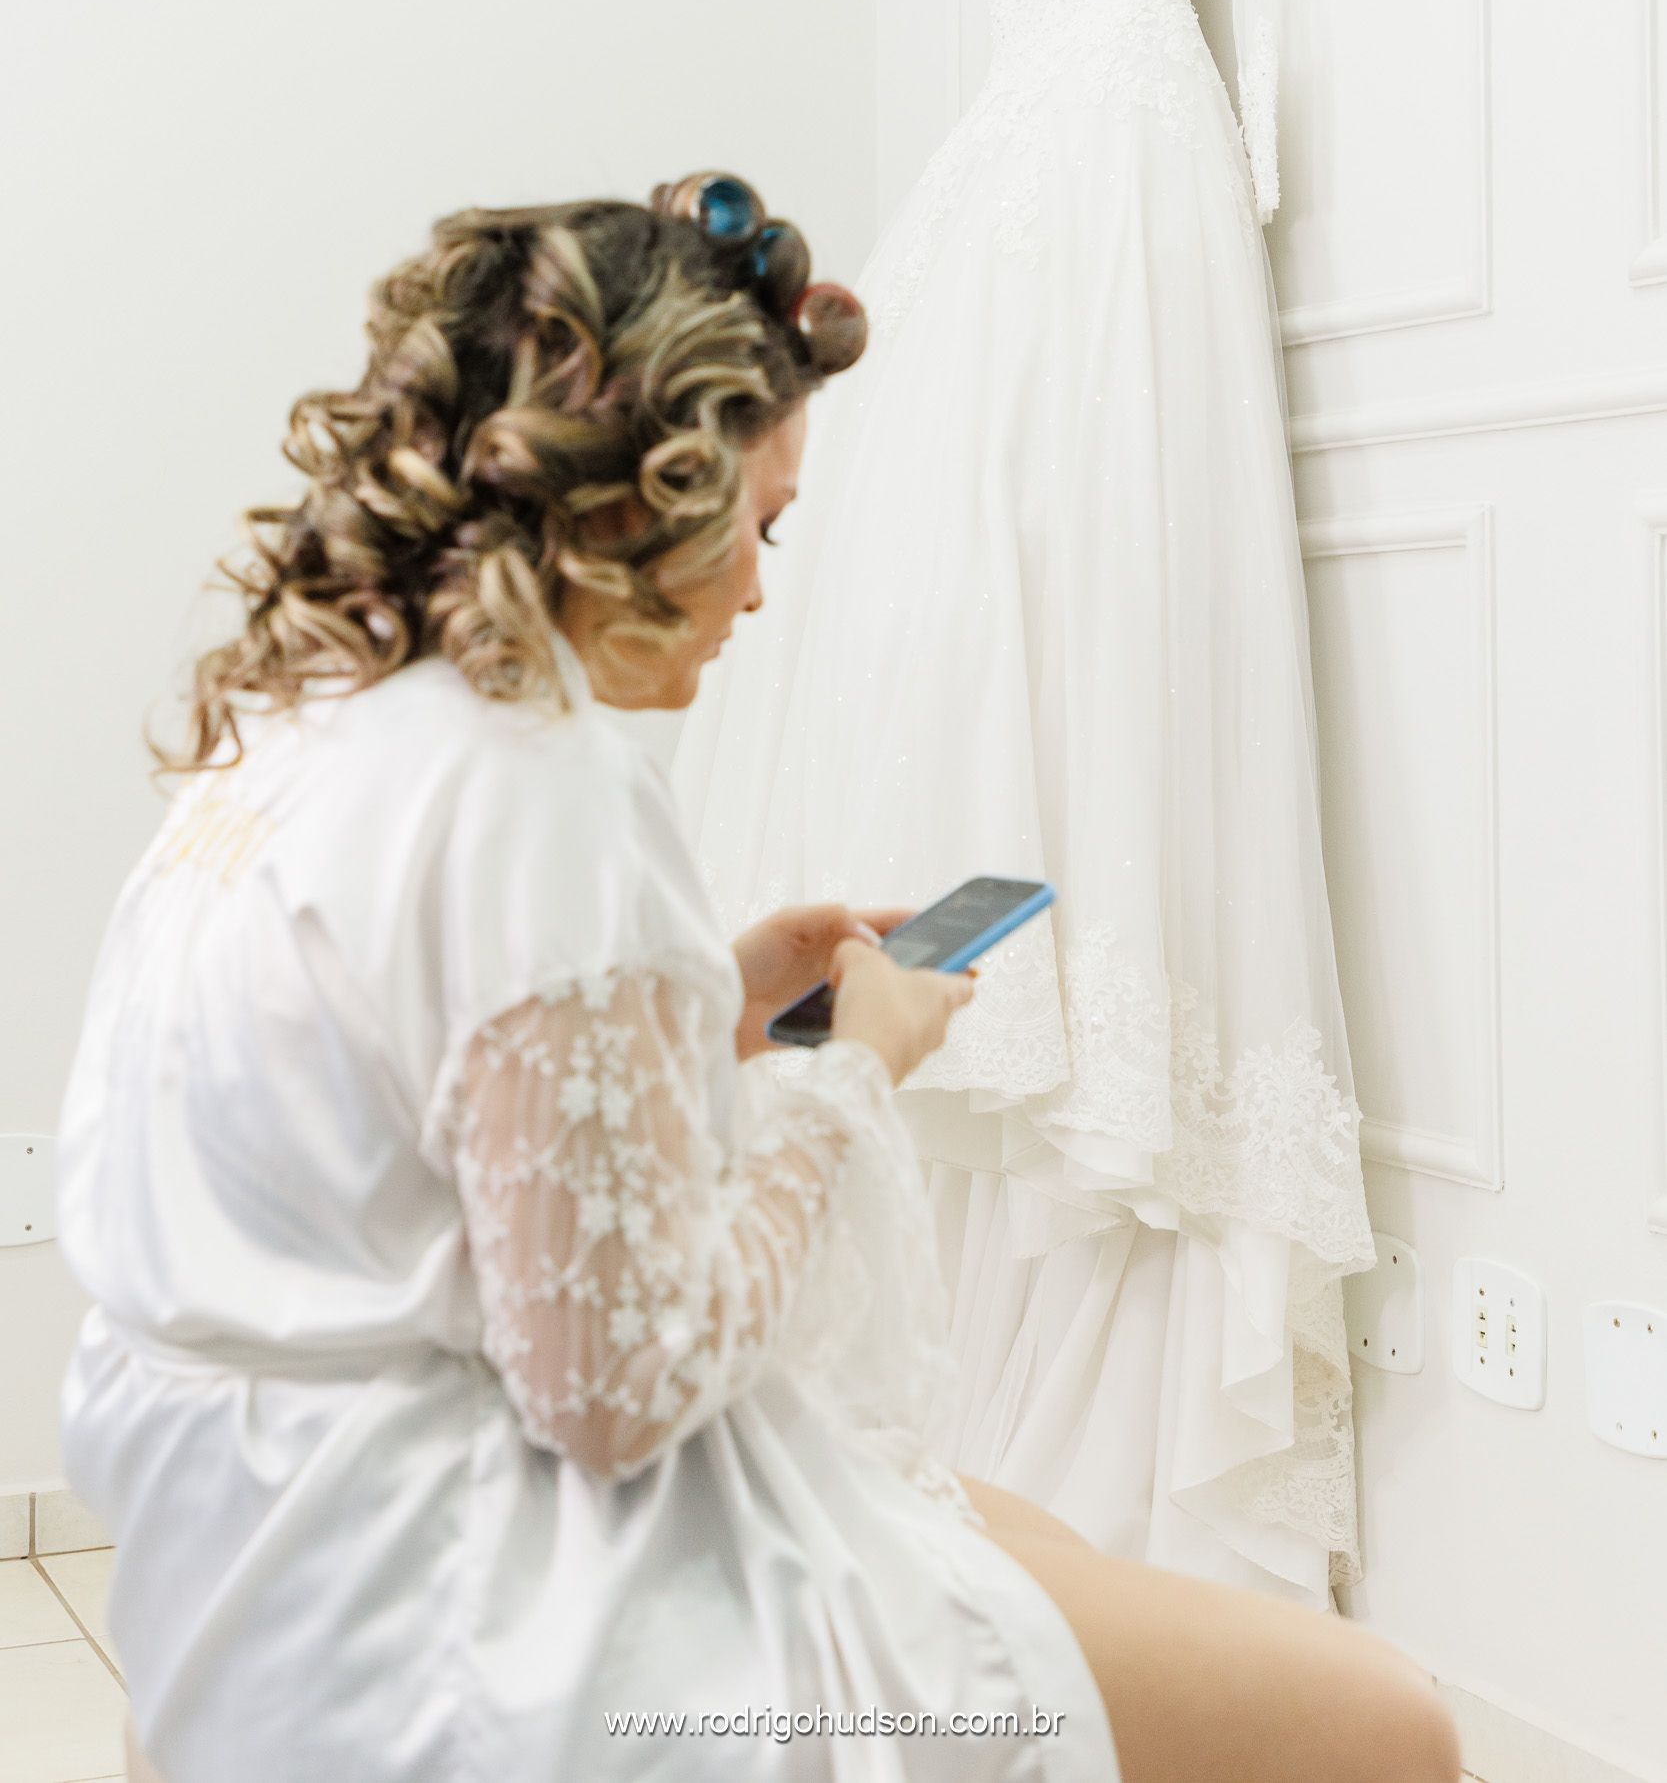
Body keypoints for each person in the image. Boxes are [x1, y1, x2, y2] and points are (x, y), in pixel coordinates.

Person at [55, 181, 1458, 1783]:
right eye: (760, 527)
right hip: (455, 1611)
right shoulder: (541, 783)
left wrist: (702, 1001)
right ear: (635, 502)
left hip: (242, 1560)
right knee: (1382, 1724)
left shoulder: (302, 735)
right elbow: (619, 1384)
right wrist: (857, 1072)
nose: (761, 595)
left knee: (1019, 1526)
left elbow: (388, 1117)